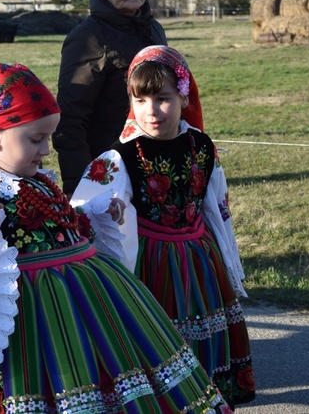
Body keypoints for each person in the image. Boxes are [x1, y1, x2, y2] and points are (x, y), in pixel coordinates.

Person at [0, 62, 231, 413]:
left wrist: (94, 217)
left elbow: (60, 229)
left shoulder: (39, 179)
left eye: (48, 138)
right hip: (26, 326)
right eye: (35, 139)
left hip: (81, 313)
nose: (46, 149)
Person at [71, 45, 255, 407]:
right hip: (150, 264)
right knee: (156, 339)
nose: (151, 111)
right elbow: (82, 211)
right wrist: (105, 211)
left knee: (203, 339)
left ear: (184, 97)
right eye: (140, 100)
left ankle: (207, 399)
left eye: (163, 98)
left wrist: (227, 263)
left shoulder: (201, 146)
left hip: (201, 261)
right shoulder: (120, 156)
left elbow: (216, 206)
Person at [53, 0, 167, 196]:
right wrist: (82, 188)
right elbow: (70, 120)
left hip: (157, 167)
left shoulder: (153, 28)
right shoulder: (87, 39)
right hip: (112, 172)